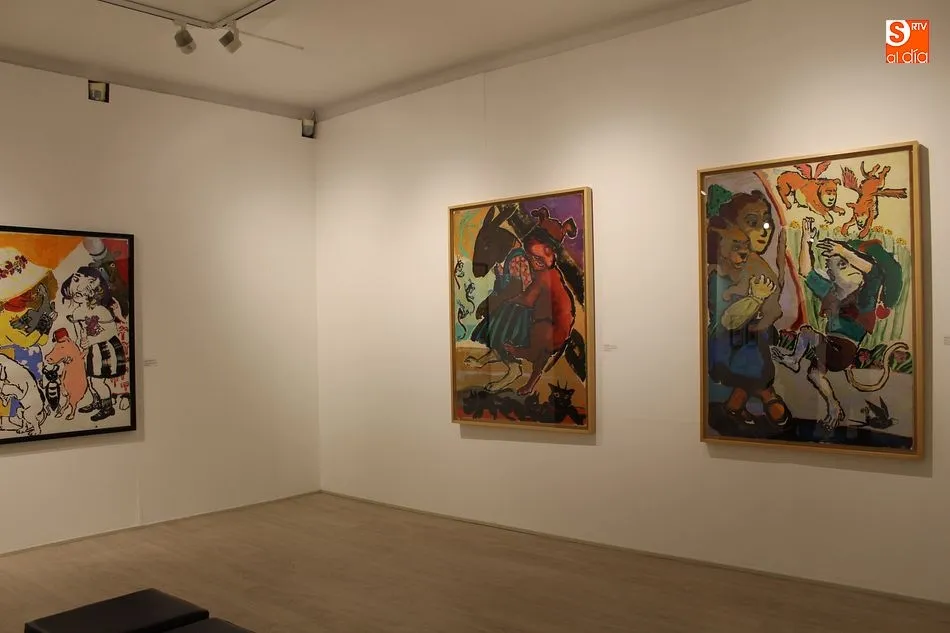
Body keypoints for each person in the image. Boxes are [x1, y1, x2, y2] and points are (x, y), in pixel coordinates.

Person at [61, 266, 127, 422]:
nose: (77, 296)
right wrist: (82, 344)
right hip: (92, 350)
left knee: (97, 381)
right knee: (91, 380)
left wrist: (91, 340)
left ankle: (107, 407)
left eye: (82, 293)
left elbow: (111, 331)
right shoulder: (77, 313)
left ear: (93, 293)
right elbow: (80, 330)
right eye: (76, 294)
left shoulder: (100, 311)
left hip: (106, 349)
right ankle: (97, 402)